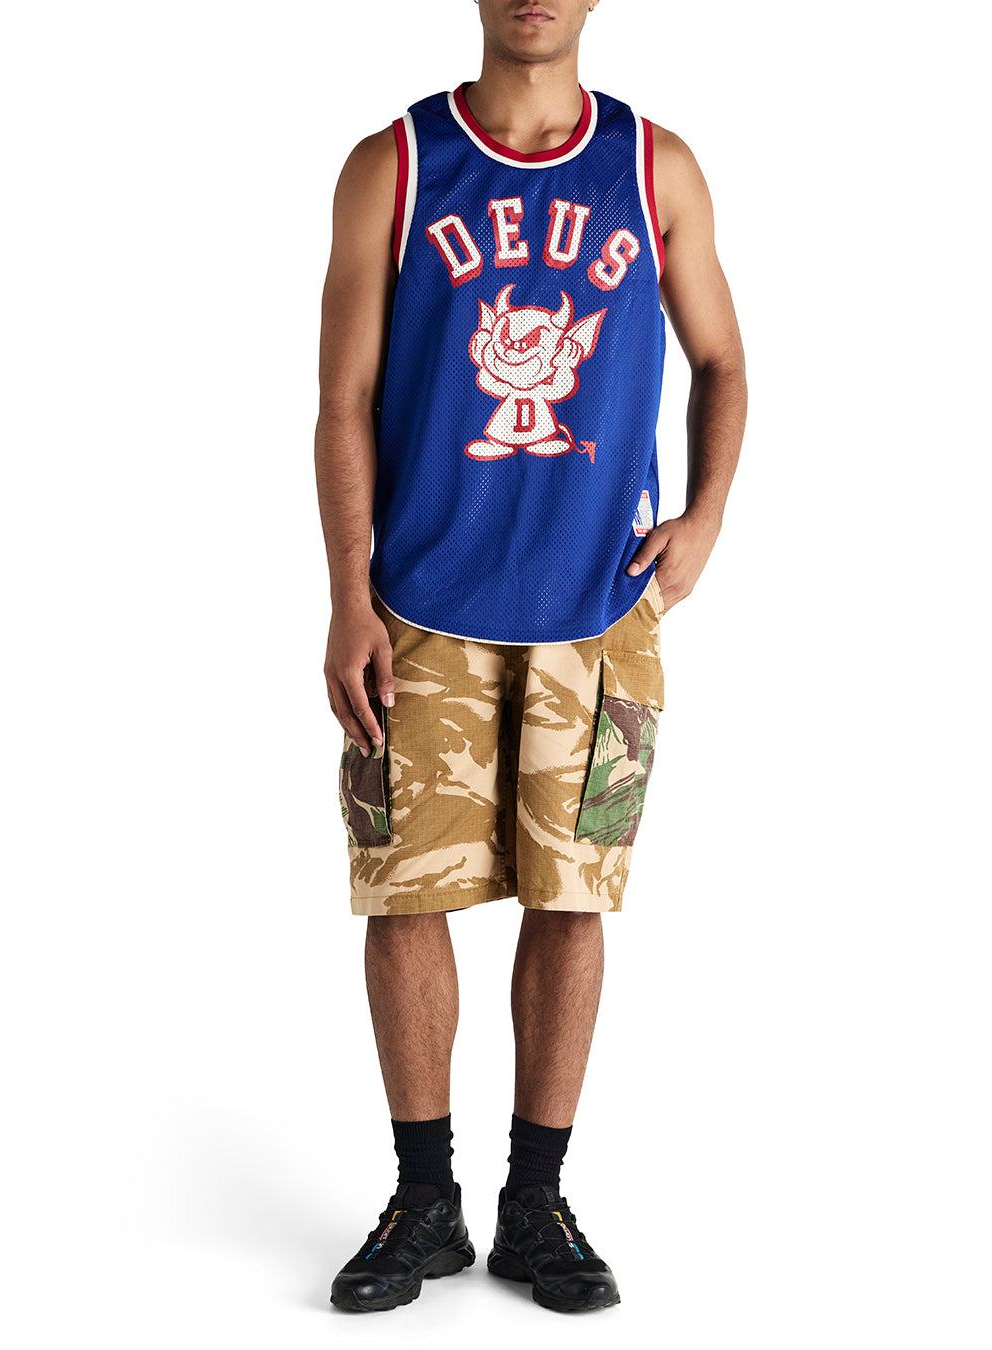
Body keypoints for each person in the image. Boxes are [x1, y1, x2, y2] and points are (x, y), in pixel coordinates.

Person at [316, 0, 746, 1315]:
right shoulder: (394, 165)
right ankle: (424, 1199)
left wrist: (705, 517)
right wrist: (345, 595)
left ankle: (534, 1200)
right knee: (405, 895)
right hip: (420, 606)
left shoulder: (654, 165)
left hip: (597, 610)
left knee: (574, 898)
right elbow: (340, 399)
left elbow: (723, 358)